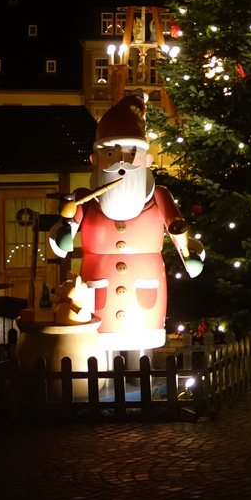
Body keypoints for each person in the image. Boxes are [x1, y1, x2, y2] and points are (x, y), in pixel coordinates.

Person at [45, 92, 204, 352]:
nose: (122, 162)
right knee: (101, 345)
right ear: (95, 161)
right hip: (99, 280)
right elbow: (62, 239)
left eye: (132, 153)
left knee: (141, 349)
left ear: (147, 161)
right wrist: (64, 226)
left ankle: (140, 382)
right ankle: (105, 382)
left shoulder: (159, 195)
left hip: (145, 281)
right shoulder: (85, 199)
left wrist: (189, 255)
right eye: (111, 153)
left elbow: (179, 229)